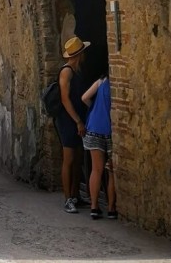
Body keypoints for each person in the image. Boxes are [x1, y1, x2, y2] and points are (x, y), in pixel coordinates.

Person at [57, 36, 90, 213]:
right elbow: (64, 99)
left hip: (78, 118)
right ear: (80, 54)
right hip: (68, 120)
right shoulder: (67, 71)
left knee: (78, 158)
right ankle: (67, 197)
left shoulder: (77, 70)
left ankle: (76, 194)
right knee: (69, 159)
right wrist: (77, 121)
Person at [82, 76, 117, 220]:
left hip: (94, 128)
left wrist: (94, 108)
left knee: (96, 170)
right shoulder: (116, 87)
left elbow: (84, 98)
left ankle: (94, 207)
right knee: (111, 171)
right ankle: (111, 208)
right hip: (110, 131)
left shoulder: (100, 82)